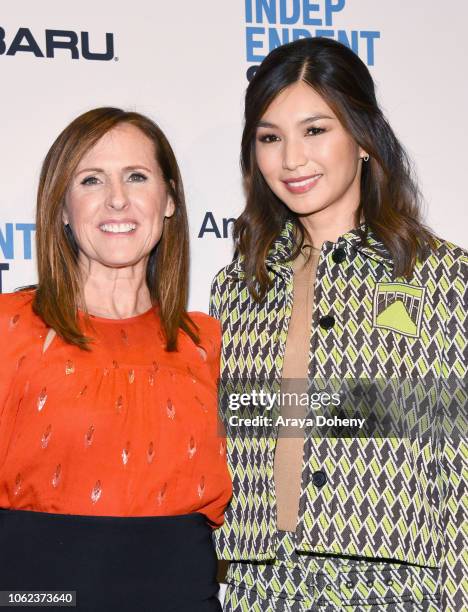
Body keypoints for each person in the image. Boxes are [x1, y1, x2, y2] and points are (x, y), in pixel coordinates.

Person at [210, 38, 466, 610]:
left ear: (365, 139)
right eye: (270, 137)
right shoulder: (238, 289)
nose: (292, 159)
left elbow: (458, 466)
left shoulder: (442, 277)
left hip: (399, 588)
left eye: (316, 130)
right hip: (260, 588)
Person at [0, 107, 231, 611]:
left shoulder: (209, 343)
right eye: (90, 180)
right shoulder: (9, 329)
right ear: (61, 208)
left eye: (137, 176)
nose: (118, 199)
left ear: (168, 200)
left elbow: (324, 436)